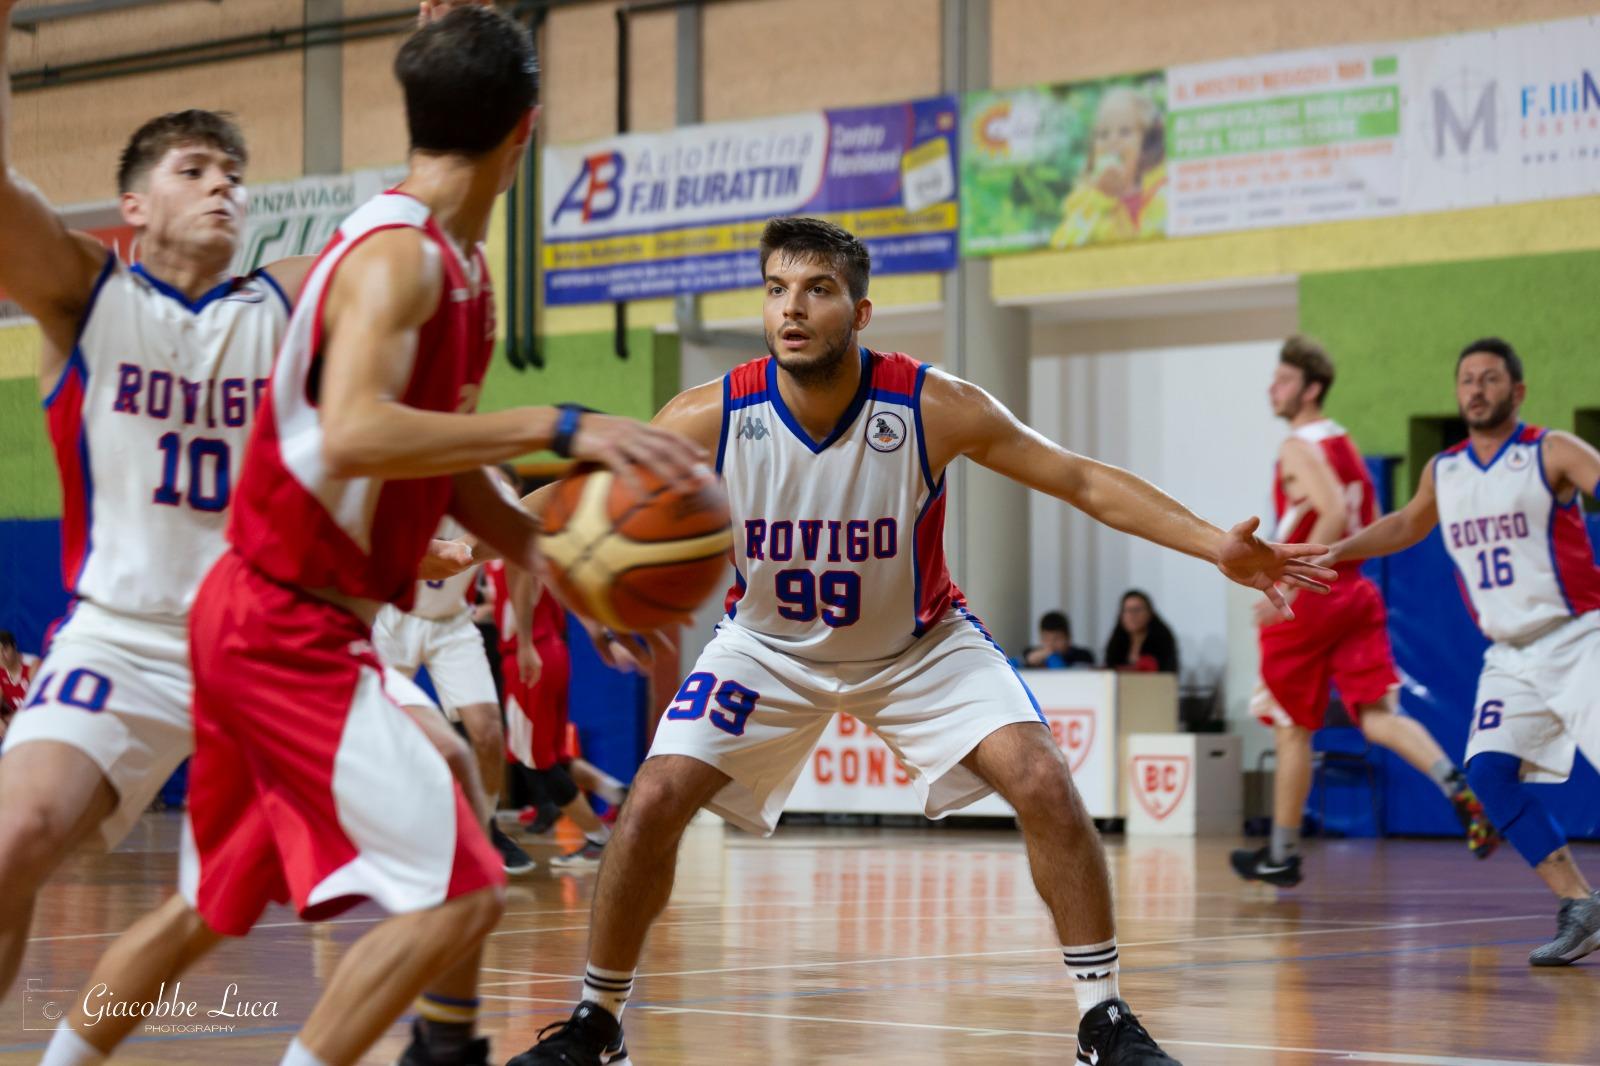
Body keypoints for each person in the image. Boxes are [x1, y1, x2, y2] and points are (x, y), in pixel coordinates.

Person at [507, 216, 1335, 1066]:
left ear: (861, 312)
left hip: (919, 646)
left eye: (818, 290)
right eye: (776, 289)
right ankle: (595, 1026)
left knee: (1044, 780)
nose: (792, 310)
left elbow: (1081, 478)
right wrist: (464, 542)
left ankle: (1105, 1021)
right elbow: (578, 496)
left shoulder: (932, 405)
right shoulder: (709, 414)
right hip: (765, 648)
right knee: (650, 802)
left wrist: (1214, 543)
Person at [40, 9, 706, 1066]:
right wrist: (558, 425)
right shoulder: (403, 260)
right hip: (282, 626)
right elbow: (353, 431)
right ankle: (434, 1050)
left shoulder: (449, 262)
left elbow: (441, 466)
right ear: (526, 130)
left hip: (270, 618)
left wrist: (561, 562)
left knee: (212, 904)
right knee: (465, 889)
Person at [0, 0, 318, 1007]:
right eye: (194, 170)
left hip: (261, 644)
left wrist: (451, 71)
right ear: (130, 206)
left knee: (410, 846)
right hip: (123, 639)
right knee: (12, 842)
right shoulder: (89, 295)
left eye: (233, 175)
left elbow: (416, 229)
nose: (223, 184)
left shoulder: (275, 303)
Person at [1320, 337, 1600, 965]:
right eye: (1467, 379)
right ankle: (1580, 904)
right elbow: (1405, 523)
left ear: (1517, 391)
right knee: (1487, 775)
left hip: (1582, 637)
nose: (1476, 389)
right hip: (1509, 656)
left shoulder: (1550, 450)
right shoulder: (1443, 471)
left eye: (1491, 378)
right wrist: (1338, 552)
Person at [1231, 336, 1497, 888]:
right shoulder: (1345, 444)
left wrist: (1294, 587)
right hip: (1357, 591)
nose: (1272, 389)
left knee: (1292, 729)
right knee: (1377, 717)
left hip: (1310, 598)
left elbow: (1329, 509)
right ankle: (1456, 785)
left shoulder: (1297, 446)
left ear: (1311, 388)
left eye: (1282, 380)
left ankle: (1281, 854)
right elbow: (1366, 514)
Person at [377, 512, 539, 875]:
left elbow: (519, 559)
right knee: (363, 727)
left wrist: (525, 639)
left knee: (488, 731)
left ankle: (483, 831)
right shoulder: (402, 475)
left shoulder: (489, 493)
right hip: (391, 616)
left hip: (451, 622)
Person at [1051, 86, 1167, 248]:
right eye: (1103, 134)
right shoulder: (1084, 200)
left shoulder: (1162, 190)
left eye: (1125, 131)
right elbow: (1064, 245)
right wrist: (1101, 200)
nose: (1112, 140)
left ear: (1146, 143)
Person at [1102, 590, 1178, 673]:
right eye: (1127, 610)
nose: (1132, 615)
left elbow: (1167, 674)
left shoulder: (1162, 640)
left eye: (1137, 610)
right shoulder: (1116, 641)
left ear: (1149, 613)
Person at [1019, 610, 1096, 668]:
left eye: (1057, 639)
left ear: (1068, 638)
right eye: (1046, 639)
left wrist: (1052, 656)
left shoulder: (1083, 656)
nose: (1051, 644)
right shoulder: (1030, 653)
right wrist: (1027, 661)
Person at [0, 630, 34, 737]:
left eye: (4, 649)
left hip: (35, 720)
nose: (1, 656)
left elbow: (37, 707)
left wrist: (9, 719)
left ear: (14, 647)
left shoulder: (32, 665)